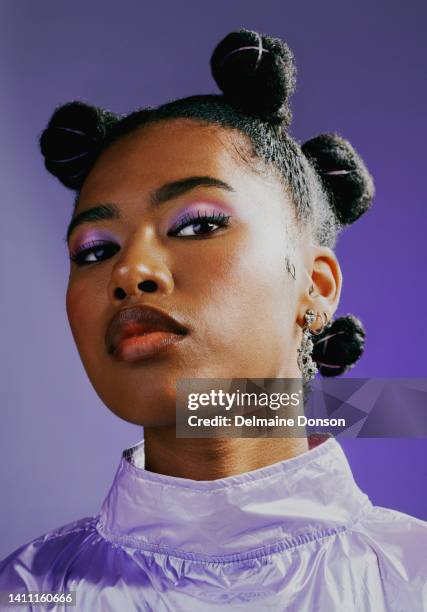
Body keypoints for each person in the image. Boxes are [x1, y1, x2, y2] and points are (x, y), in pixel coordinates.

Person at [0, 28, 426, 612]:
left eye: (198, 224)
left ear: (315, 285)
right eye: (95, 250)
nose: (130, 270)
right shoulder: (25, 593)